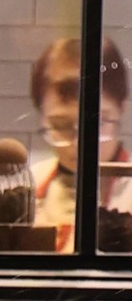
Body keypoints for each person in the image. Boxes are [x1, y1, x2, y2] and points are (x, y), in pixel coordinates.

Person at [28, 32, 131, 252]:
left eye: (96, 124)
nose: (79, 143)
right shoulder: (28, 186)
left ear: (122, 108)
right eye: (61, 126)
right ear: (41, 115)